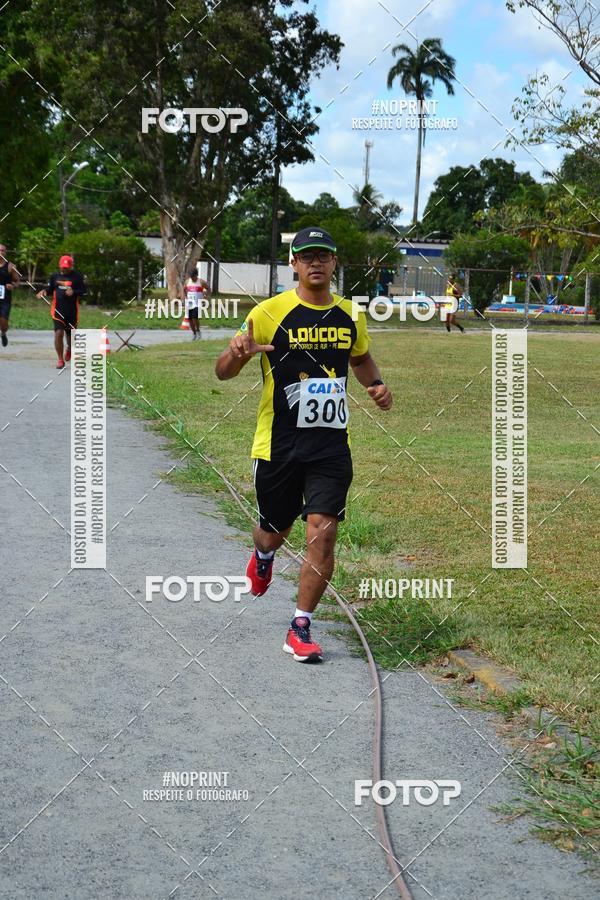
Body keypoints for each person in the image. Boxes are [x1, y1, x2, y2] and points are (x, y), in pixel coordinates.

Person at [215, 227, 392, 663]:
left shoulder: (350, 314)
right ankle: (261, 554)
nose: (316, 263)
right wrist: (238, 352)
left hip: (331, 446)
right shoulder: (268, 312)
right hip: (278, 444)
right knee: (275, 531)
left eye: (324, 256)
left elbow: (360, 356)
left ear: (334, 264)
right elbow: (222, 372)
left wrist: (377, 384)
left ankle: (300, 625)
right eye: (306, 256)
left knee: (322, 533)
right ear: (293, 264)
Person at [37, 254, 86, 368]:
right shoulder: (55, 276)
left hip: (72, 310)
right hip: (58, 310)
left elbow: (83, 291)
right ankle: (60, 359)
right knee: (59, 333)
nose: (64, 269)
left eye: (66, 267)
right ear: (60, 266)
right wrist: (44, 292)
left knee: (70, 334)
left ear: (71, 266)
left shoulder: (77, 277)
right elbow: (50, 290)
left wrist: (74, 292)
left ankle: (69, 348)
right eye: (62, 267)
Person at [0, 243, 20, 347]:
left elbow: (17, 281)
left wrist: (13, 286)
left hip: (5, 299)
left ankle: (3, 333)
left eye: (2, 251)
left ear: (5, 253)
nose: (1, 252)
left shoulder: (11, 266)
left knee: (3, 322)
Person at [183, 268, 210, 340]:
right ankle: (194, 333)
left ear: (196, 275)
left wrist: (206, 297)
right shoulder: (187, 281)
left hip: (198, 303)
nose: (192, 278)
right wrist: (185, 297)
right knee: (190, 320)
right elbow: (184, 289)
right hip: (190, 304)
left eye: (193, 276)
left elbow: (208, 289)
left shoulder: (201, 282)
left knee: (195, 318)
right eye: (191, 276)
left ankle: (198, 332)